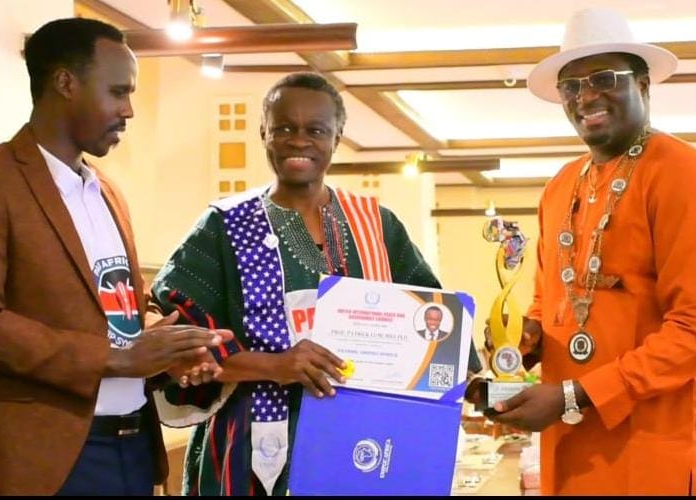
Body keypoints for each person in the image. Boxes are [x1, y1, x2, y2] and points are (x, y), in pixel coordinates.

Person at [149, 72, 482, 496]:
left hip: (364, 440)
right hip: (248, 450)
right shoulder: (225, 225)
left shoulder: (376, 225)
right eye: (284, 128)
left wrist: (477, 384)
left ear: (337, 137)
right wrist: (275, 366)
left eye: (316, 130)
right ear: (264, 133)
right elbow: (178, 339)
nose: (299, 141)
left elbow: (435, 317)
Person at [0, 18, 230, 496]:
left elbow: (120, 308)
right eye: (118, 92)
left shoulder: (107, 191)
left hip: (132, 447)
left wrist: (168, 349)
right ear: (65, 83)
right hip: (38, 459)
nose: (129, 110)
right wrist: (116, 358)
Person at [471, 8, 696, 495]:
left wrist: (575, 394)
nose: (586, 96)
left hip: (656, 449)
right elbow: (550, 302)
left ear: (643, 85)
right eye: (571, 86)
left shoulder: (687, 177)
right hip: (570, 445)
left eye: (603, 79)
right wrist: (522, 343)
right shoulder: (560, 187)